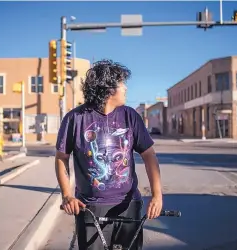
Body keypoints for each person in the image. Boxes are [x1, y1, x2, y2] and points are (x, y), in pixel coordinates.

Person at [55, 59, 163, 250]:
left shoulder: (130, 116)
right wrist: (67, 195)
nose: (126, 89)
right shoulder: (75, 118)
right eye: (122, 83)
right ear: (108, 89)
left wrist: (157, 195)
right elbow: (61, 158)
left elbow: (149, 156)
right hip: (90, 207)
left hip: (128, 205)